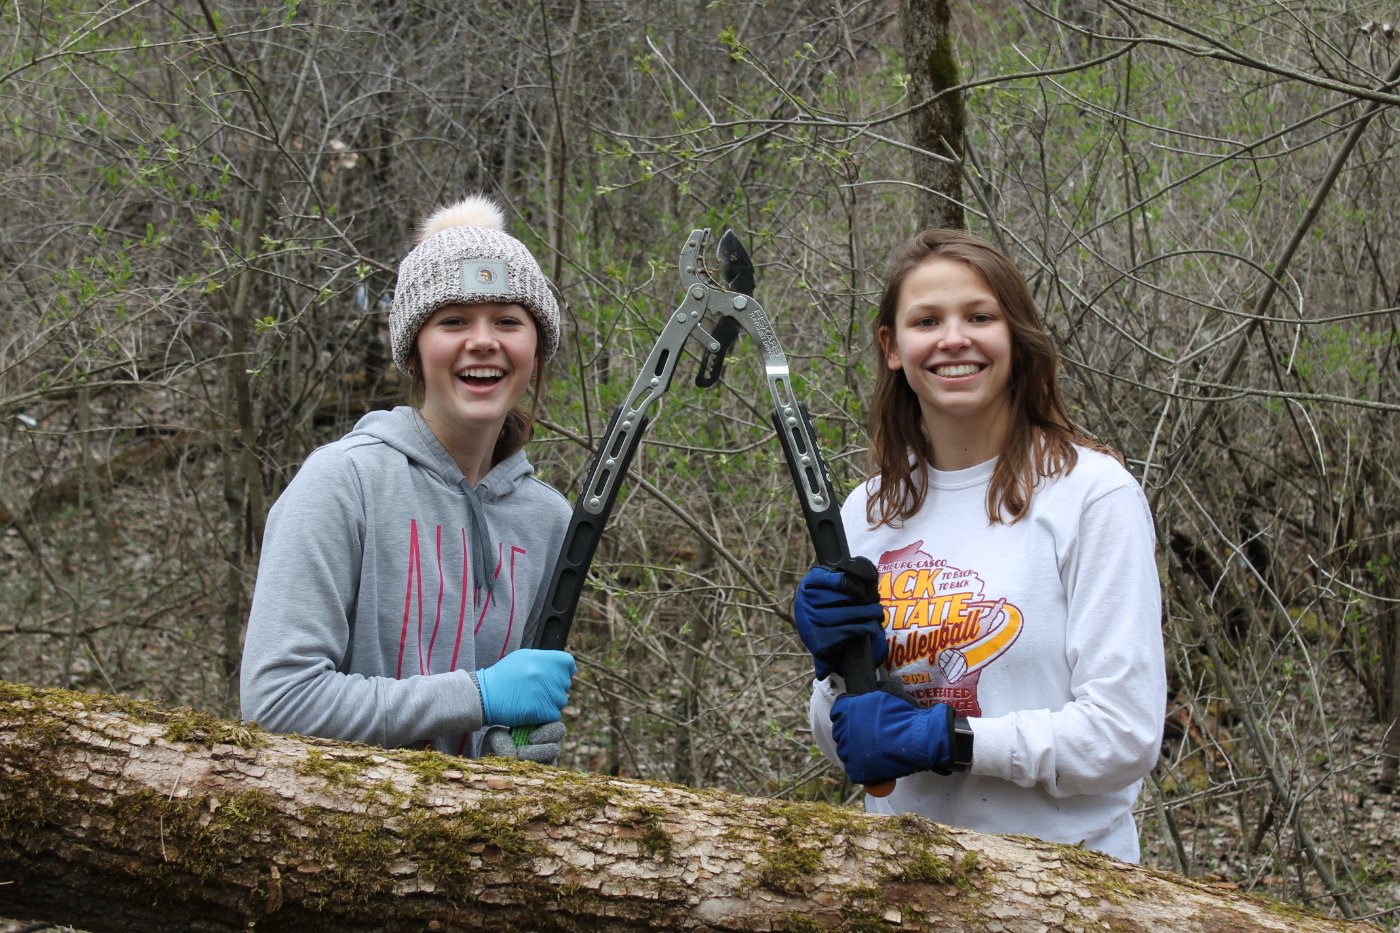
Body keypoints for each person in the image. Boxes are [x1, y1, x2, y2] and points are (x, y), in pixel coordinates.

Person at [795, 229, 1166, 862]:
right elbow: (854, 750)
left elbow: (1124, 735)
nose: (953, 339)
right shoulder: (868, 512)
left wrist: (956, 740)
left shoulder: (1091, 495)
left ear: (1015, 336)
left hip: (1069, 886)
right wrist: (834, 672)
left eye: (979, 316)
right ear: (893, 347)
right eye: (927, 320)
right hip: (902, 883)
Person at [240, 194, 575, 763]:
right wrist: (479, 696)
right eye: (453, 321)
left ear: (536, 348)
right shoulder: (343, 483)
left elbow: (501, 727)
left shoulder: (548, 521)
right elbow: (276, 702)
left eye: (508, 321)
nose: (483, 341)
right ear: (414, 350)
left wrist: (515, 754)